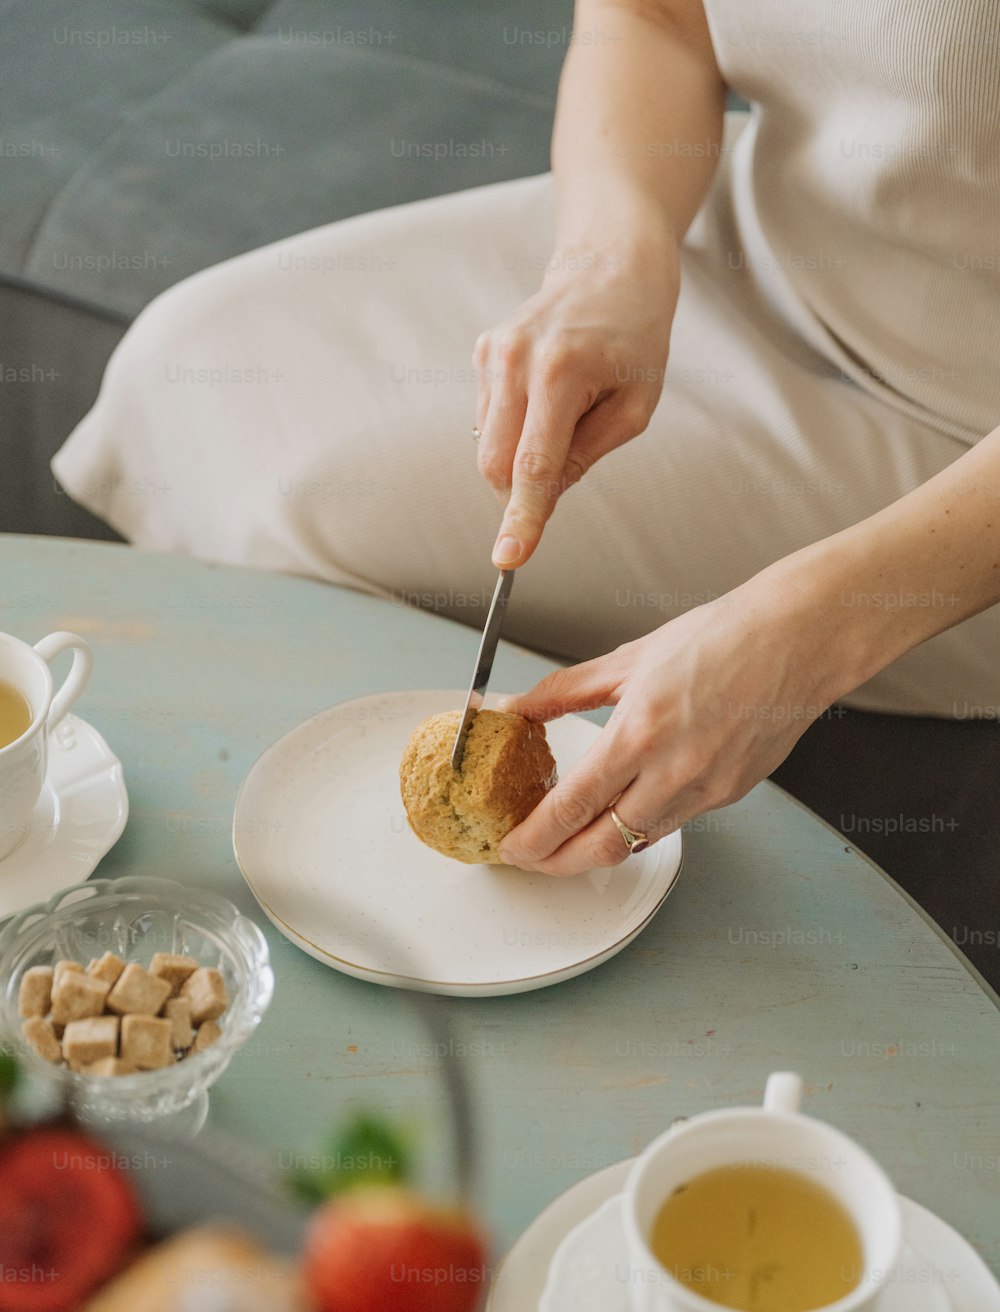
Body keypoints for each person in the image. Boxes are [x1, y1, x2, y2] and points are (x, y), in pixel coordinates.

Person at [53, 0, 1000, 876]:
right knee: (188, 373)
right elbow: (652, 14)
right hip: (744, 225)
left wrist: (810, 628)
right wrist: (612, 258)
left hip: (951, 445)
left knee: (308, 501)